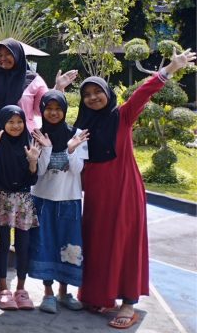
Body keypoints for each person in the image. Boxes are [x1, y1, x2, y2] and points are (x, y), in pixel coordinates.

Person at [75, 50, 195, 329]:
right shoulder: (82, 125)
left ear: (107, 93)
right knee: (97, 243)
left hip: (123, 190)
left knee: (125, 241)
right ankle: (100, 295)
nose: (93, 97)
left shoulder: (122, 115)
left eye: (97, 92)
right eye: (87, 94)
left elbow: (143, 93)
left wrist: (170, 68)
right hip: (95, 195)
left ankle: (128, 302)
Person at [0, 39, 76, 255]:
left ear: (18, 55)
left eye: (8, 54)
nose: (3, 59)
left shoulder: (33, 80)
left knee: (22, 186)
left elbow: (46, 106)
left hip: (24, 143)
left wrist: (59, 88)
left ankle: (19, 236)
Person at [29, 91, 89, 314]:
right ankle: (48, 293)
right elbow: (40, 171)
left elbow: (77, 169)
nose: (53, 113)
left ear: (64, 110)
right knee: (44, 245)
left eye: (58, 109)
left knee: (69, 245)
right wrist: (46, 148)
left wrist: (71, 149)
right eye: (49, 108)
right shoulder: (37, 134)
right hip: (43, 200)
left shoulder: (77, 135)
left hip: (69, 200)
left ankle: (64, 292)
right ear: (42, 110)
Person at [0, 105, 41, 311]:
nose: (16, 126)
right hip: (2, 198)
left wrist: (33, 161)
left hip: (23, 199)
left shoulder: (29, 143)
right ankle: (2, 289)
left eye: (19, 122)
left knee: (23, 245)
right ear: (3, 123)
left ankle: (21, 290)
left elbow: (32, 179)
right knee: (3, 243)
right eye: (10, 122)